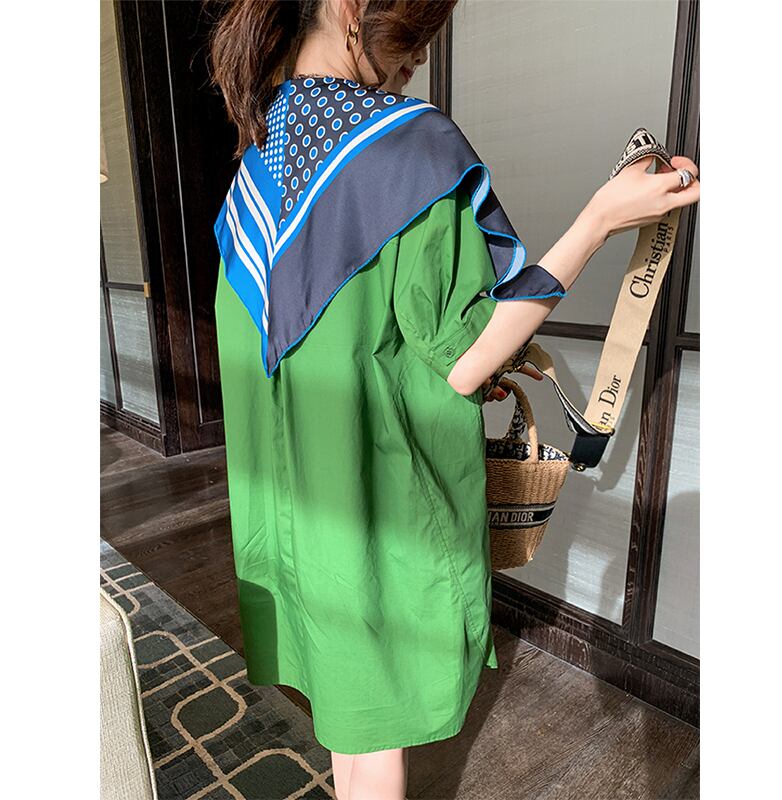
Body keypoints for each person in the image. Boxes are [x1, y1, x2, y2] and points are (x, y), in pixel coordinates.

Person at [207, 1, 700, 798]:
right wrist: (600, 220)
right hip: (377, 509)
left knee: (350, 716)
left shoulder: (255, 165)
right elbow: (466, 359)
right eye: (414, 32)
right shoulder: (407, 147)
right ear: (351, 7)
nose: (418, 60)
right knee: (378, 737)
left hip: (295, 511)